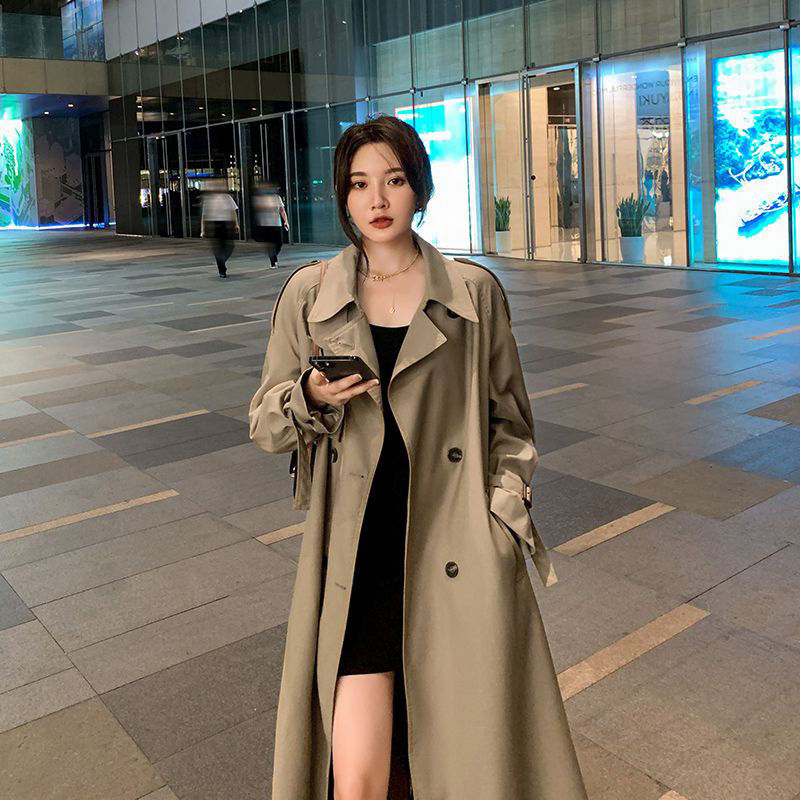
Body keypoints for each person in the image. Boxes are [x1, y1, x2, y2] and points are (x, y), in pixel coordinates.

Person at [249, 115, 588, 800]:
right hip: (358, 554)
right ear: (343, 197)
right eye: (359, 184)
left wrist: (502, 514)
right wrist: (310, 395)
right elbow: (265, 424)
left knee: (469, 759)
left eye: (394, 180)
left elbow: (510, 423)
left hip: (455, 545)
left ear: (420, 189)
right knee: (356, 775)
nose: (377, 200)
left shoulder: (473, 293)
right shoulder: (312, 295)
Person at [200, 179, 239, 277]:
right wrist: (203, 230)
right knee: (217, 248)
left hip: (226, 224)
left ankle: (221, 260)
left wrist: (236, 224)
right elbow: (204, 216)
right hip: (214, 225)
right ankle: (222, 270)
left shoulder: (227, 197)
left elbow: (233, 211)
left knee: (230, 246)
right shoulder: (209, 199)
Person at [252, 181, 290, 268]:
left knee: (279, 242)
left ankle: (273, 256)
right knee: (271, 244)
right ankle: (273, 262)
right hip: (266, 225)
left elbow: (282, 210)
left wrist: (286, 221)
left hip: (277, 223)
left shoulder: (277, 198)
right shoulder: (261, 199)